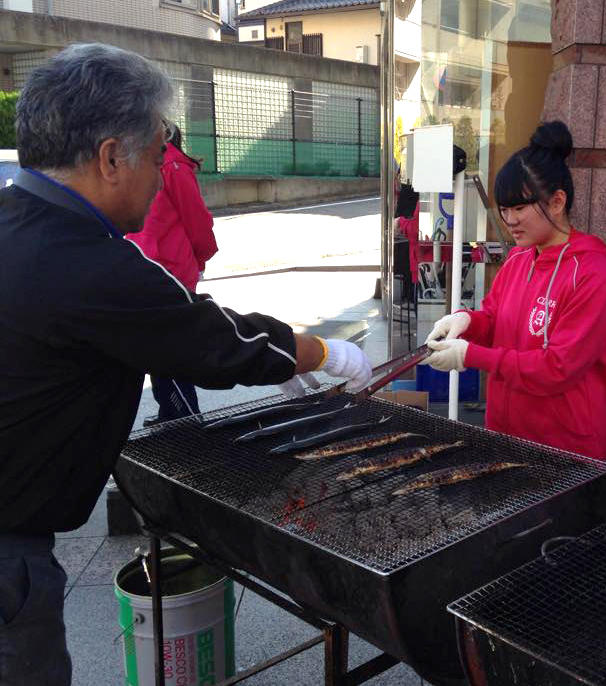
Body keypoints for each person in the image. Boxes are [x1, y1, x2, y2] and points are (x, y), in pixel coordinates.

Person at [0, 43, 372, 685]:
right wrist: (327, 352)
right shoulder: (93, 263)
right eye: (157, 157)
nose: (160, 175)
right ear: (112, 156)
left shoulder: (13, 218)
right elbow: (211, 341)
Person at [423, 121, 606, 461]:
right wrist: (466, 321)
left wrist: (470, 355)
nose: (509, 219)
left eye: (520, 208)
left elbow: (557, 368)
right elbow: (494, 317)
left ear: (557, 201)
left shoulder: (592, 273)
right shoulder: (518, 259)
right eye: (504, 209)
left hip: (566, 445)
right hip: (506, 430)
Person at [128, 123, 216, 422]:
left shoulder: (170, 166)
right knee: (161, 350)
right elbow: (197, 222)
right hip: (159, 266)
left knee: (168, 350)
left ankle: (184, 418)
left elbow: (197, 222)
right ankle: (174, 414)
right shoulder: (164, 165)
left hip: (166, 268)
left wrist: (199, 260)